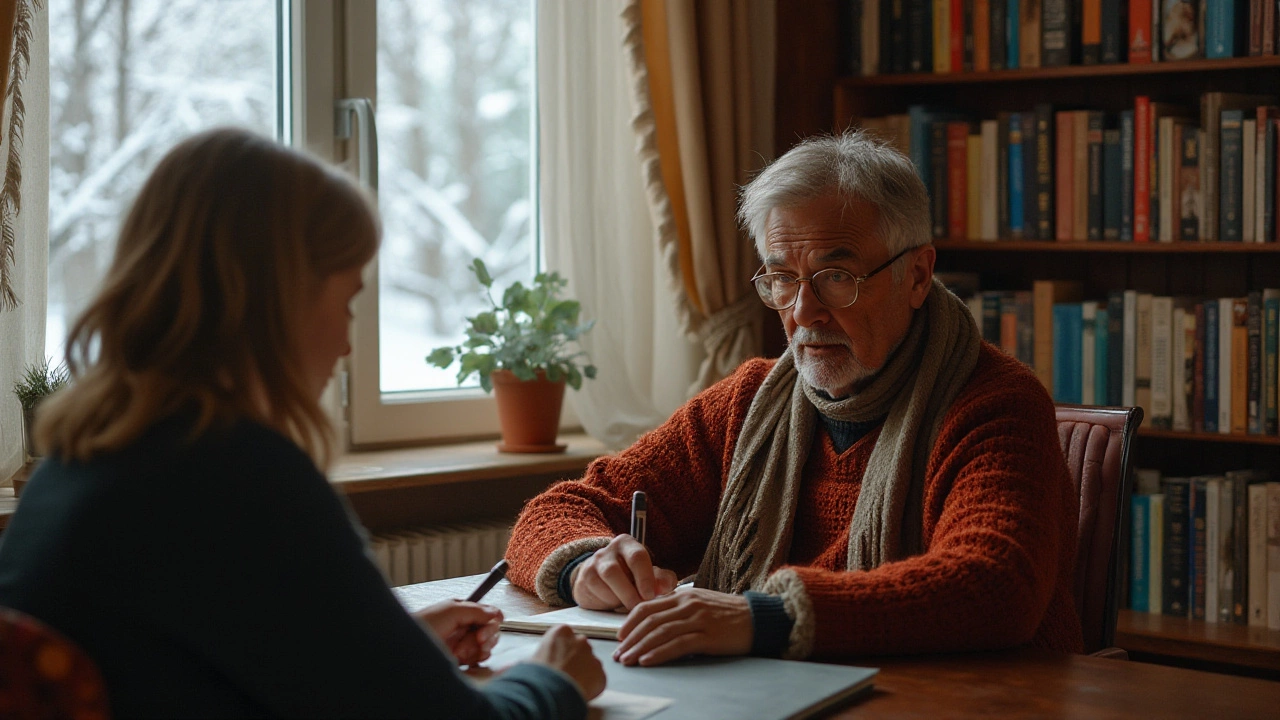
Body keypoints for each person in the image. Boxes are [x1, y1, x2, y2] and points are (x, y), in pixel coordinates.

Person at [0, 128, 604, 718]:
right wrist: (550, 683)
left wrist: (392, 650)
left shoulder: (80, 464)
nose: (345, 343)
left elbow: (202, 662)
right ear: (277, 301)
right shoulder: (238, 477)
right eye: (345, 301)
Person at [505, 130, 1083, 667]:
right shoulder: (748, 402)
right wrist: (587, 563)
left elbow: (995, 584)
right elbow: (556, 511)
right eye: (781, 277)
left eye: (836, 275)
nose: (803, 311)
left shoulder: (996, 403)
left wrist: (763, 617)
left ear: (916, 275)